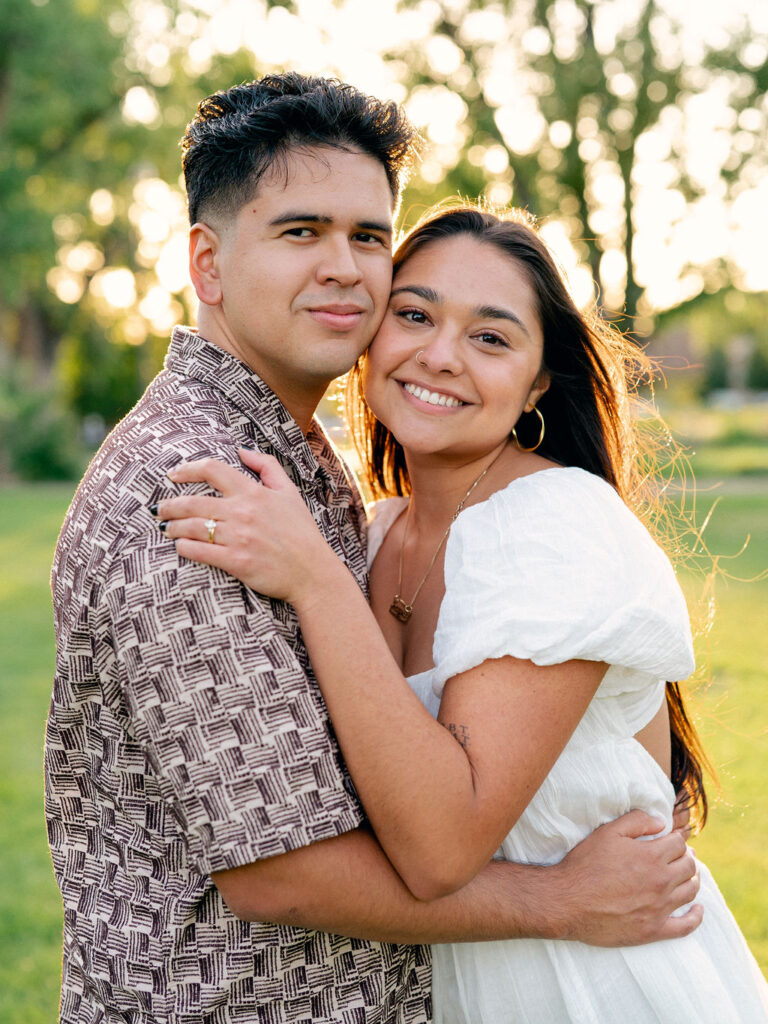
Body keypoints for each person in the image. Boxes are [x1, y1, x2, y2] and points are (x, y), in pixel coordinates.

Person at [47, 74, 700, 1024]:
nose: (348, 269)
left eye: (368, 236)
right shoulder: (195, 490)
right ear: (208, 263)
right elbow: (282, 874)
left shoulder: (308, 481)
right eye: (301, 232)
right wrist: (560, 899)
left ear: (534, 385)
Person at [157, 203, 768, 1023]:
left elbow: (441, 849)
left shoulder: (554, 525)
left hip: (598, 986)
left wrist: (313, 580)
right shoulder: (370, 535)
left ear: (537, 384)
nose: (439, 356)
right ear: (372, 336)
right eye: (414, 315)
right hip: (464, 984)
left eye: (491, 338)